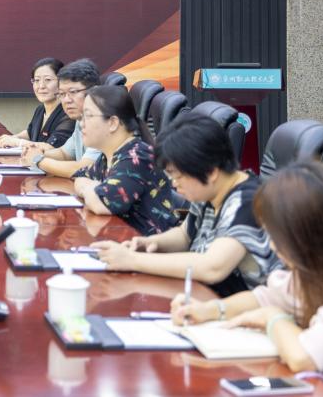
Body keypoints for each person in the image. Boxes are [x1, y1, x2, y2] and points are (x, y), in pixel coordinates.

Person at [173, 161, 323, 396]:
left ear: (309, 236)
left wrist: (273, 318)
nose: (273, 246)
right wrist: (210, 310)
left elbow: (303, 357)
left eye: (277, 237)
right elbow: (267, 297)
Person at [91, 114, 280, 296]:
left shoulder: (247, 202)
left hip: (237, 307)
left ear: (211, 172)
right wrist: (151, 243)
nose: (174, 184)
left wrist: (133, 260)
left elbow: (213, 268)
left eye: (178, 176)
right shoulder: (212, 190)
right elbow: (185, 235)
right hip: (201, 295)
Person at [72, 85, 181, 236]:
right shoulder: (109, 156)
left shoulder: (136, 157)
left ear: (113, 123)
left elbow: (102, 204)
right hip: (123, 239)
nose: (81, 123)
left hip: (150, 245)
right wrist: (91, 188)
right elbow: (79, 176)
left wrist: (90, 190)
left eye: (88, 116)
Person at [20, 58, 103, 177]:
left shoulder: (102, 121)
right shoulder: (81, 119)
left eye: (73, 92)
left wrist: (38, 160)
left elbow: (84, 168)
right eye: (62, 94)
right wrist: (35, 153)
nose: (66, 100)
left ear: (94, 91)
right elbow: (65, 153)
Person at [0, 57, 73, 148]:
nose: (41, 86)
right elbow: (30, 133)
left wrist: (18, 142)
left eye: (48, 80)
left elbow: (52, 147)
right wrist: (12, 138)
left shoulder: (69, 111)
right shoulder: (40, 109)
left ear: (62, 81)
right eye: (37, 80)